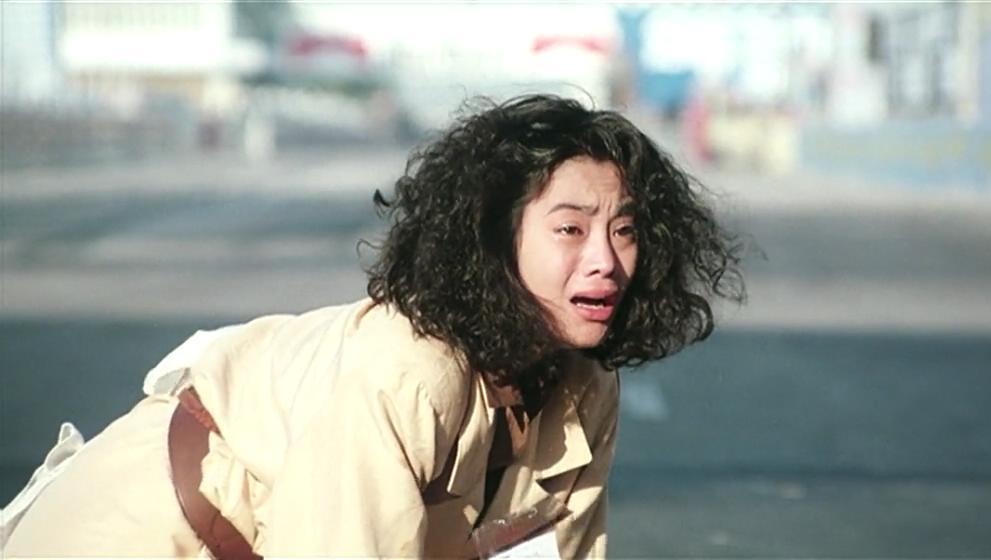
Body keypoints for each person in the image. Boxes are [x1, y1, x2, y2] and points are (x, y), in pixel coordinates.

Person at [2, 94, 744, 558]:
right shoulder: (409, 371)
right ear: (497, 239)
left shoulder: (586, 384)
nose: (606, 260)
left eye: (624, 230)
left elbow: (558, 551)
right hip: (138, 536)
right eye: (570, 229)